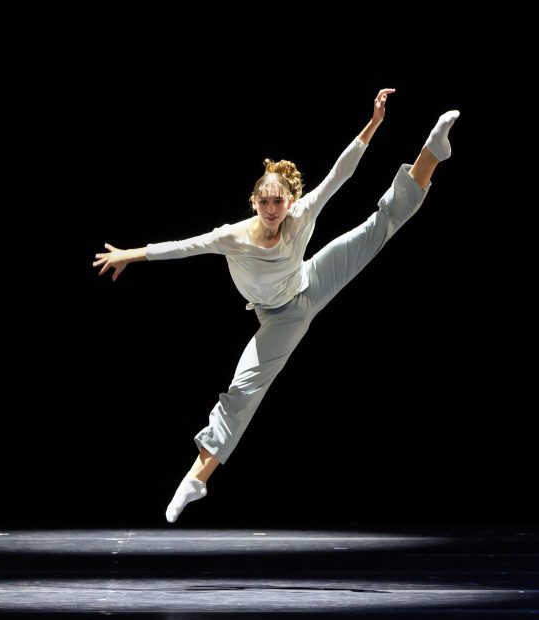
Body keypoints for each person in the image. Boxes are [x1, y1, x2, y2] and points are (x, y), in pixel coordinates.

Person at [93, 89, 459, 523]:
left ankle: (432, 151)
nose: (271, 208)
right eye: (264, 201)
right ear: (254, 202)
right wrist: (129, 255)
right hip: (280, 319)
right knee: (243, 391)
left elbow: (340, 174)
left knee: (378, 228)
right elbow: (181, 247)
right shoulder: (231, 236)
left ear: (288, 201)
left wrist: (375, 122)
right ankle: (197, 479)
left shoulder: (300, 215)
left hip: (312, 281)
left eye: (278, 201)